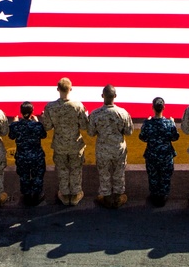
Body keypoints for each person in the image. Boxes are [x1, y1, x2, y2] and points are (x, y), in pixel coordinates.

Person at [42, 77, 89, 206]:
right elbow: (85, 126)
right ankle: (75, 194)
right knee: (75, 169)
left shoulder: (50, 107)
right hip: (75, 144)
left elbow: (47, 127)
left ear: (58, 89)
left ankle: (64, 194)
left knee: (62, 170)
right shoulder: (78, 106)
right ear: (71, 88)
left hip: (60, 144)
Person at [87, 85, 133, 208]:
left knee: (104, 174)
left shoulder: (95, 114)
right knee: (119, 173)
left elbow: (91, 133)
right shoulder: (123, 113)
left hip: (103, 149)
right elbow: (129, 132)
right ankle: (118, 197)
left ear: (102, 96)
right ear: (115, 96)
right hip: (118, 149)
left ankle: (106, 197)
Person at [139, 97, 179, 207]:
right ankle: (163, 195)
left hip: (152, 155)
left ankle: (154, 195)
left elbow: (142, 137)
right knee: (165, 176)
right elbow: (175, 137)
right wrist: (173, 123)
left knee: (153, 176)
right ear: (164, 108)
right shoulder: (169, 124)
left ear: (153, 108)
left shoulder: (148, 123)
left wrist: (146, 123)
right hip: (166, 155)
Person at [9, 101, 47, 206]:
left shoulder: (16, 126)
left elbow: (11, 136)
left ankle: (26, 195)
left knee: (24, 176)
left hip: (22, 156)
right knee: (38, 176)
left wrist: (14, 123)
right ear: (32, 112)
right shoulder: (37, 126)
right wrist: (37, 122)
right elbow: (43, 135)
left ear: (21, 112)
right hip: (36, 156)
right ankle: (37, 195)